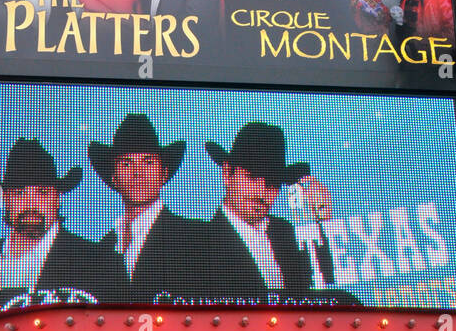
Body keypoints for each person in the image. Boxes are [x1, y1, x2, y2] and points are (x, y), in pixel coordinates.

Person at [188, 122, 357, 303]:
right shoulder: (198, 241)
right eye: (252, 177)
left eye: (271, 182)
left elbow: (329, 290)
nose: (262, 193)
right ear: (228, 173)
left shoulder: (288, 233)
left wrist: (323, 220)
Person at [0, 139, 111, 313]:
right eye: (20, 193)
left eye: (42, 193)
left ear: (57, 199)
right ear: (5, 199)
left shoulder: (100, 263)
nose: (31, 205)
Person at [88, 114, 198, 301]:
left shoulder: (194, 237)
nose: (138, 173)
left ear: (164, 174)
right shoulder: (103, 248)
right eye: (126, 163)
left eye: (148, 162)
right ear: (114, 177)